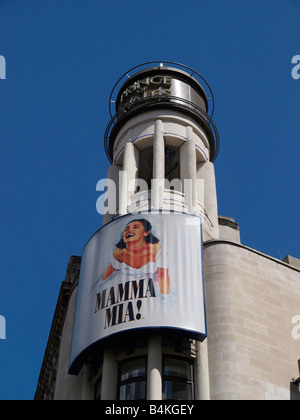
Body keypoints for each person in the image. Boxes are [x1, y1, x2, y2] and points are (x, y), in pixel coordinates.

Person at [101, 218, 170, 294]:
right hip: (124, 290)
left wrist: (164, 298)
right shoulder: (119, 253)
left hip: (152, 290)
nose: (129, 230)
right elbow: (106, 275)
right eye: (126, 229)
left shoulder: (156, 250)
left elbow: (163, 275)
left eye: (136, 227)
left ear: (146, 232)